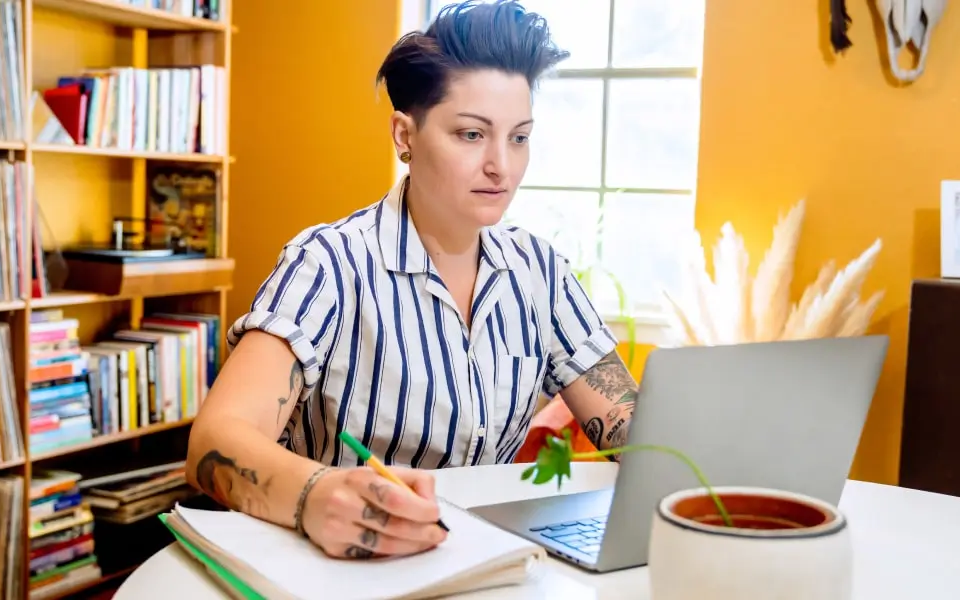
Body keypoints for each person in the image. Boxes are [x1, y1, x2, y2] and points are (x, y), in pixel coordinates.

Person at [185, 0, 638, 561]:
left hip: (474, 561)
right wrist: (313, 494)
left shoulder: (540, 272)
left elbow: (629, 427)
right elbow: (214, 440)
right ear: (405, 134)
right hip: (338, 569)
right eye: (472, 135)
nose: (502, 164)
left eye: (519, 138)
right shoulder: (328, 264)